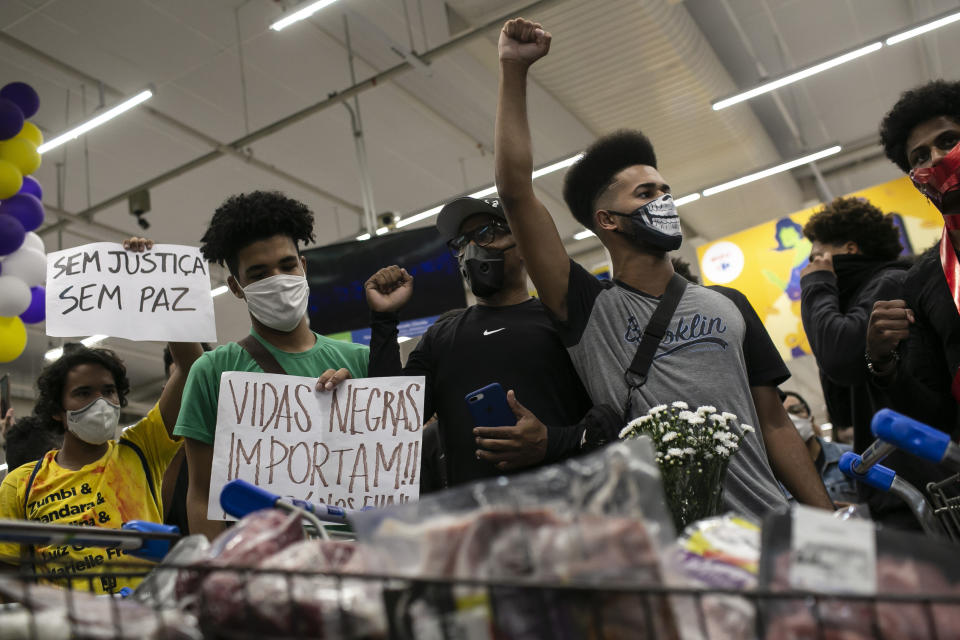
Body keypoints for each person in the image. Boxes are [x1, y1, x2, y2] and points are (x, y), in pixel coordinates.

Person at [493, 17, 833, 520]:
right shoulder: (587, 308)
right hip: (667, 544)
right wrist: (513, 71)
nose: (665, 201)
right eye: (646, 194)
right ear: (607, 220)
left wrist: (824, 519)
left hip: (766, 526)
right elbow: (516, 192)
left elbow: (775, 423)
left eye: (666, 191)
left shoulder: (729, 304)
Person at [0, 237, 204, 594]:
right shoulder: (20, 484)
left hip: (145, 623)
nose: (101, 401)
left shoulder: (141, 449)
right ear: (59, 413)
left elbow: (190, 368)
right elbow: (8, 575)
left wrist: (153, 275)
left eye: (108, 391)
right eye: (83, 393)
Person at [174, 191, 369, 540]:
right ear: (236, 287)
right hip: (267, 568)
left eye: (287, 265)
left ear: (303, 267)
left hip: (359, 562)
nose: (278, 279)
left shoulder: (360, 361)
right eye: (259, 273)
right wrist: (220, 573)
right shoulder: (212, 373)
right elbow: (202, 494)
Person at [365, 196, 594, 485]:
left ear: (523, 244)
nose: (470, 250)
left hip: (567, 510)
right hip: (478, 519)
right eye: (461, 242)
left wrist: (552, 441)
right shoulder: (440, 338)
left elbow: (609, 418)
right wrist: (384, 320)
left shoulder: (562, 321)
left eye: (486, 233)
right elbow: (390, 421)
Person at [869, 81, 960, 437]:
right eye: (919, 157)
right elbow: (934, 416)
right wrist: (882, 362)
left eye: (948, 141)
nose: (935, 158)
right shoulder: (922, 280)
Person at [159, 343, 212, 535]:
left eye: (199, 386)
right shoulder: (156, 456)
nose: (192, 397)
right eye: (184, 387)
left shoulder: (241, 450)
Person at [781, 391, 858, 506]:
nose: (792, 419)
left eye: (796, 411)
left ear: (810, 418)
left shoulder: (850, 456)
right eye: (783, 416)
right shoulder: (780, 478)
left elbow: (879, 503)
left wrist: (860, 512)